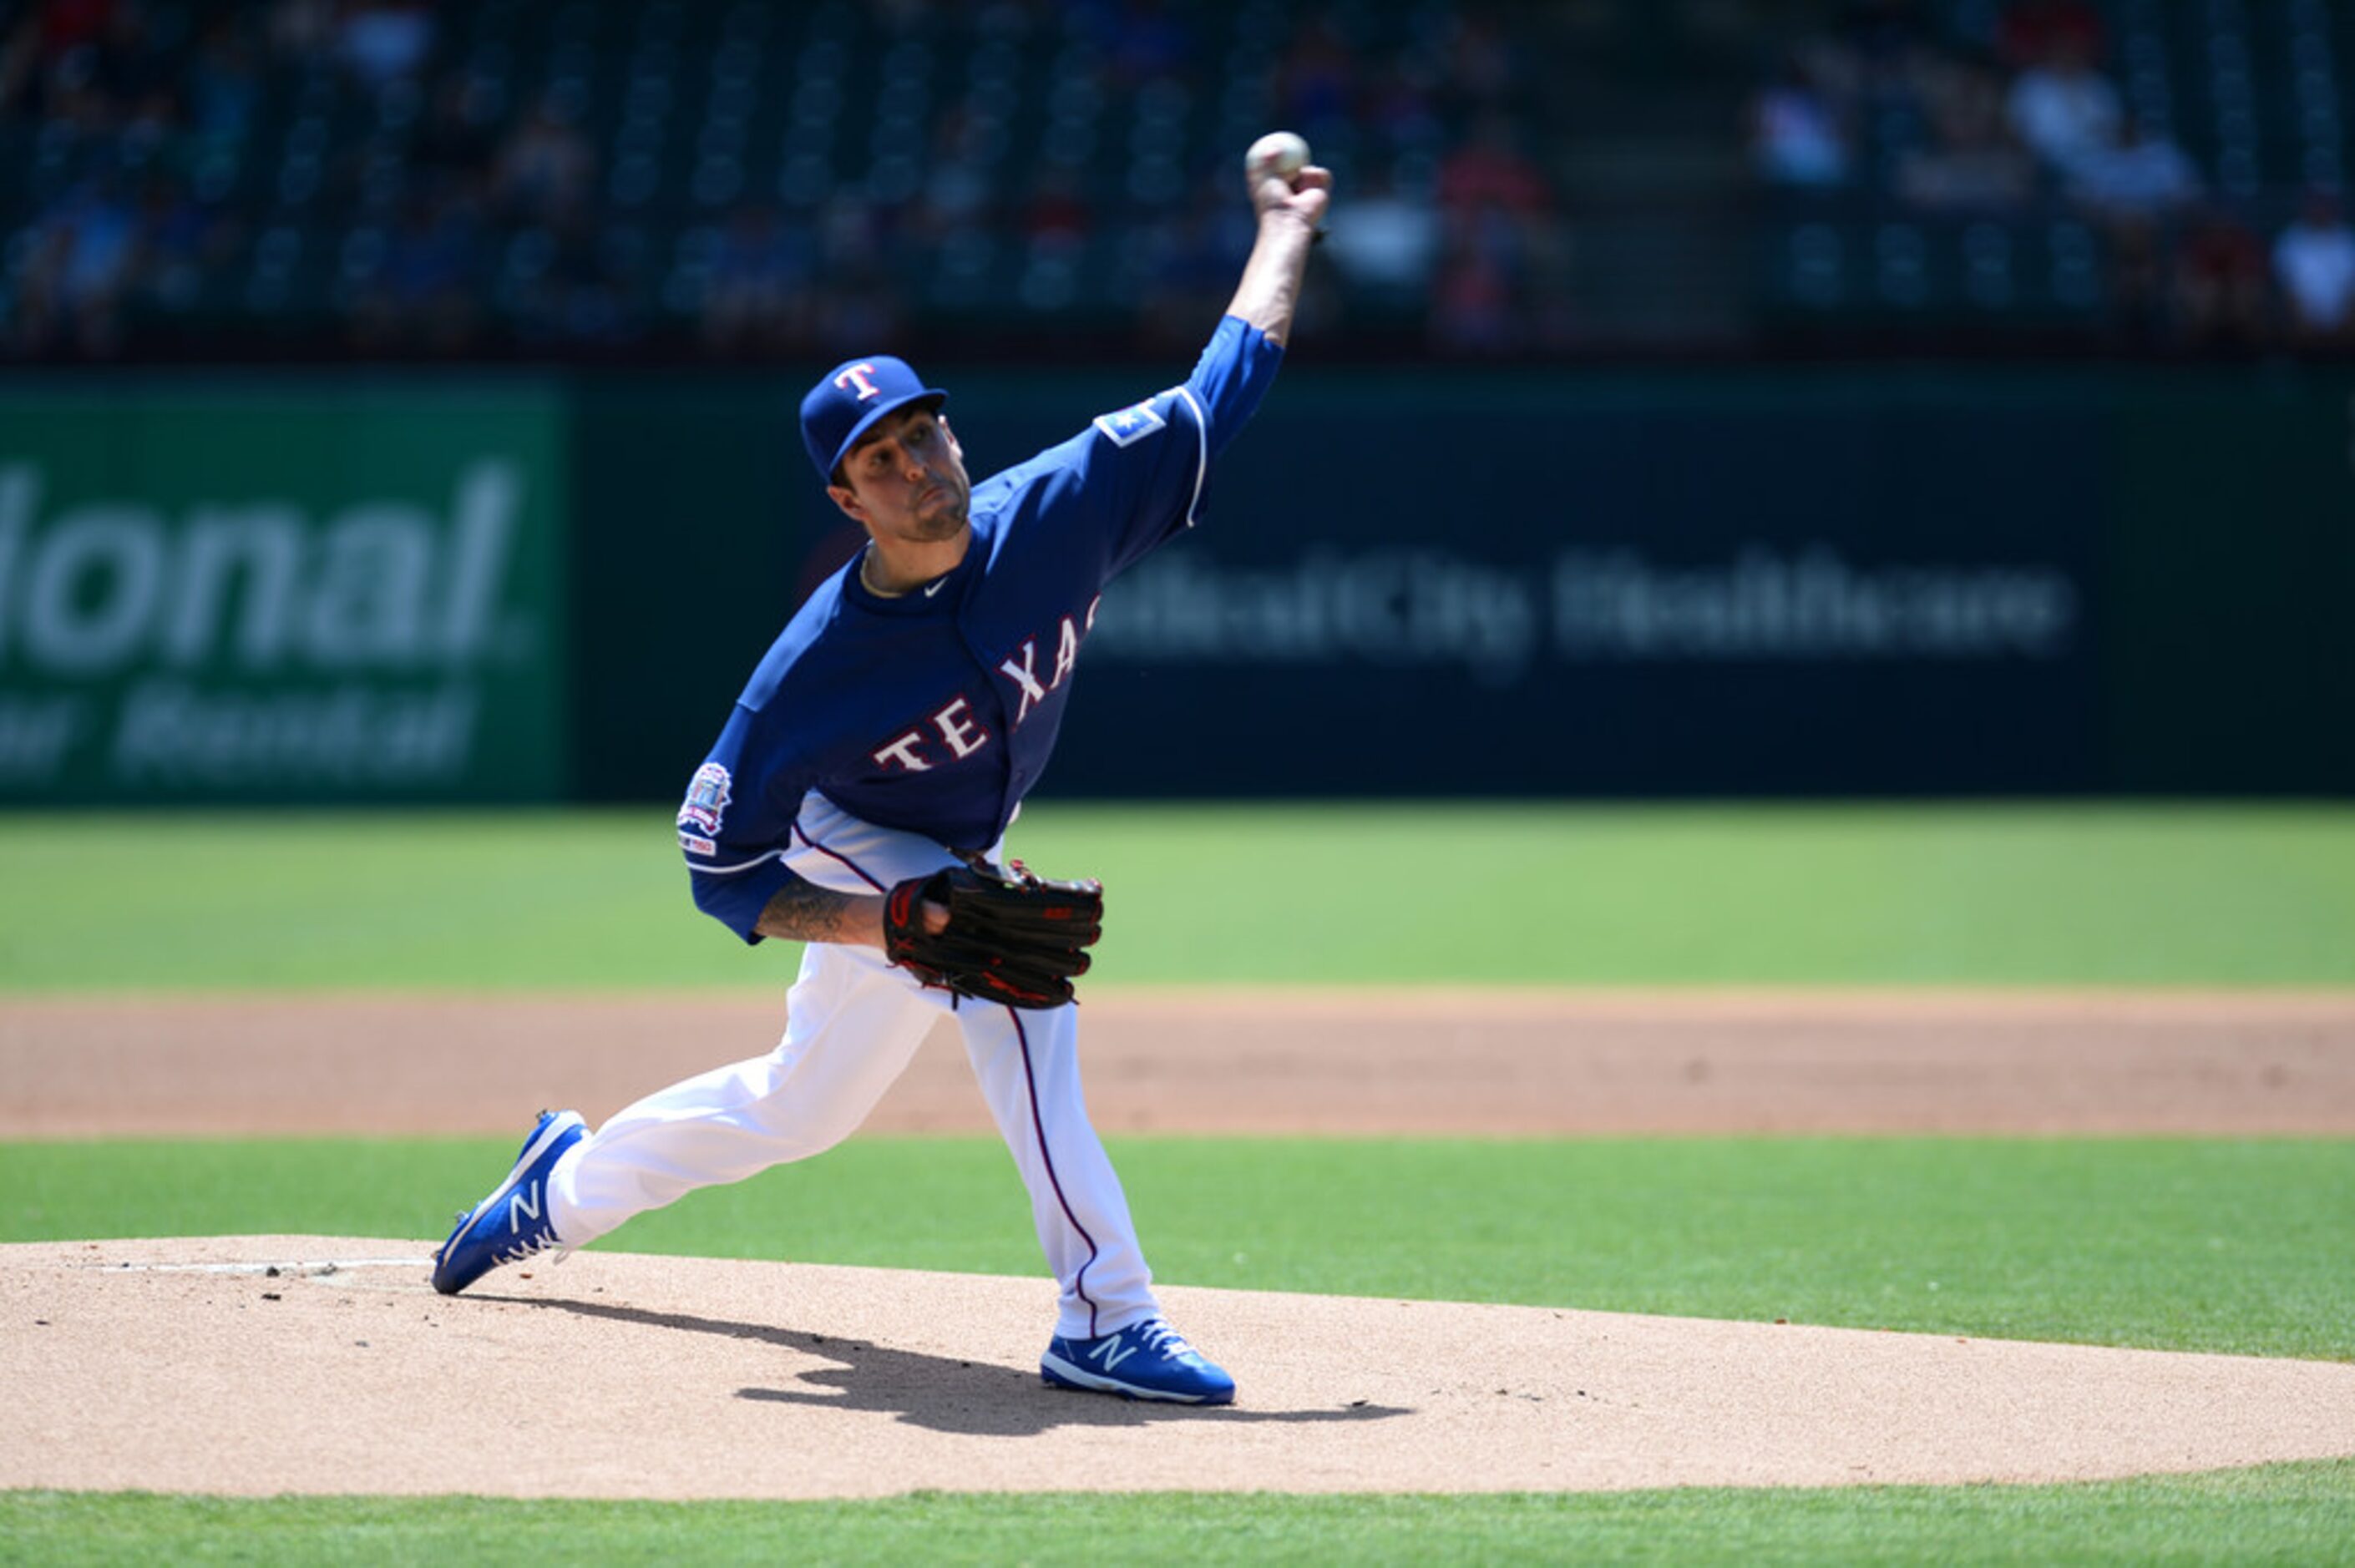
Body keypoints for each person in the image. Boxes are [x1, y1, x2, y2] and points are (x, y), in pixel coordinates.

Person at [429, 138, 1334, 1408]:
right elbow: (717, 870)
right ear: (847, 500)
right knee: (1010, 979)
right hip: (856, 830)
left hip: (960, 826)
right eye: (882, 459)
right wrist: (887, 919)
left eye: (924, 432)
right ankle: (1105, 1315)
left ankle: (558, 1187)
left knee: (802, 1106)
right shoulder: (809, 674)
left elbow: (1223, 380)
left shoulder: (1064, 506)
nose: (918, 466)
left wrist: (1286, 228)